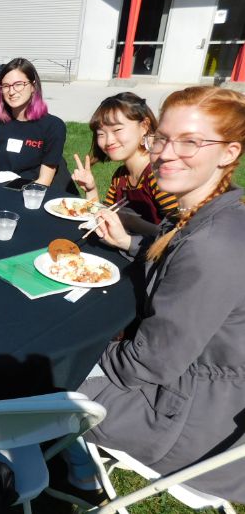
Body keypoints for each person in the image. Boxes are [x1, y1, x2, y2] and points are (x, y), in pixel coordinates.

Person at [74, 86, 245, 502]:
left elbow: (144, 366)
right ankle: (73, 463)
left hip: (190, 422)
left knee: (36, 375)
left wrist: (74, 348)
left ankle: (71, 473)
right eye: (163, 139)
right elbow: (177, 268)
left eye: (191, 141)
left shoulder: (214, 243)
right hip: (193, 391)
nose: (167, 153)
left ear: (228, 153)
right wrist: (129, 245)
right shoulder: (209, 211)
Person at [72, 92, 177, 226]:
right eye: (101, 134)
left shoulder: (158, 175)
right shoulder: (120, 176)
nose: (109, 141)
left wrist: (126, 241)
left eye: (117, 130)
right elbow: (104, 218)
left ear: (144, 126)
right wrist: (90, 189)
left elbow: (179, 231)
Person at [0, 57, 67, 187]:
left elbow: (44, 181)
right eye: (6, 86)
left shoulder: (53, 126)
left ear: (33, 86)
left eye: (18, 84)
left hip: (30, 194)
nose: (11, 92)